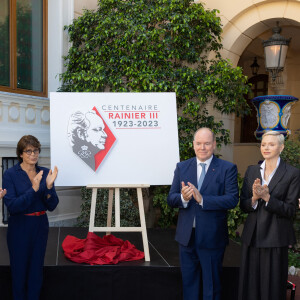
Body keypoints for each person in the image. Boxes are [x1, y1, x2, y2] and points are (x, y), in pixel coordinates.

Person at [167, 128, 239, 300]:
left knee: (211, 287)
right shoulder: (182, 167)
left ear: (214, 144)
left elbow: (232, 199)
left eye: (207, 143)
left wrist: (203, 199)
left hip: (212, 238)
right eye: (199, 143)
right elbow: (171, 198)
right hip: (186, 238)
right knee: (189, 285)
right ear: (193, 145)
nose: (203, 147)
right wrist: (183, 198)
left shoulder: (227, 168)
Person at [238, 131, 300, 300]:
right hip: (252, 237)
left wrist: (268, 198)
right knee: (249, 285)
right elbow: (243, 205)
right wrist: (254, 198)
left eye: (271, 144)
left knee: (271, 287)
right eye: (264, 144)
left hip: (276, 238)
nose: (266, 147)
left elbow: (290, 210)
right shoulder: (252, 171)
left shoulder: (292, 173)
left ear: (281, 147)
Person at [2, 135, 59, 300]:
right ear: (21, 154)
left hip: (40, 225)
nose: (33, 154)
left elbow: (52, 205)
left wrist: (48, 188)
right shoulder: (10, 174)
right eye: (29, 151)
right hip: (19, 226)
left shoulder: (46, 173)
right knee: (19, 272)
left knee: (36, 272)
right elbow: (13, 206)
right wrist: (33, 189)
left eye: (36, 151)